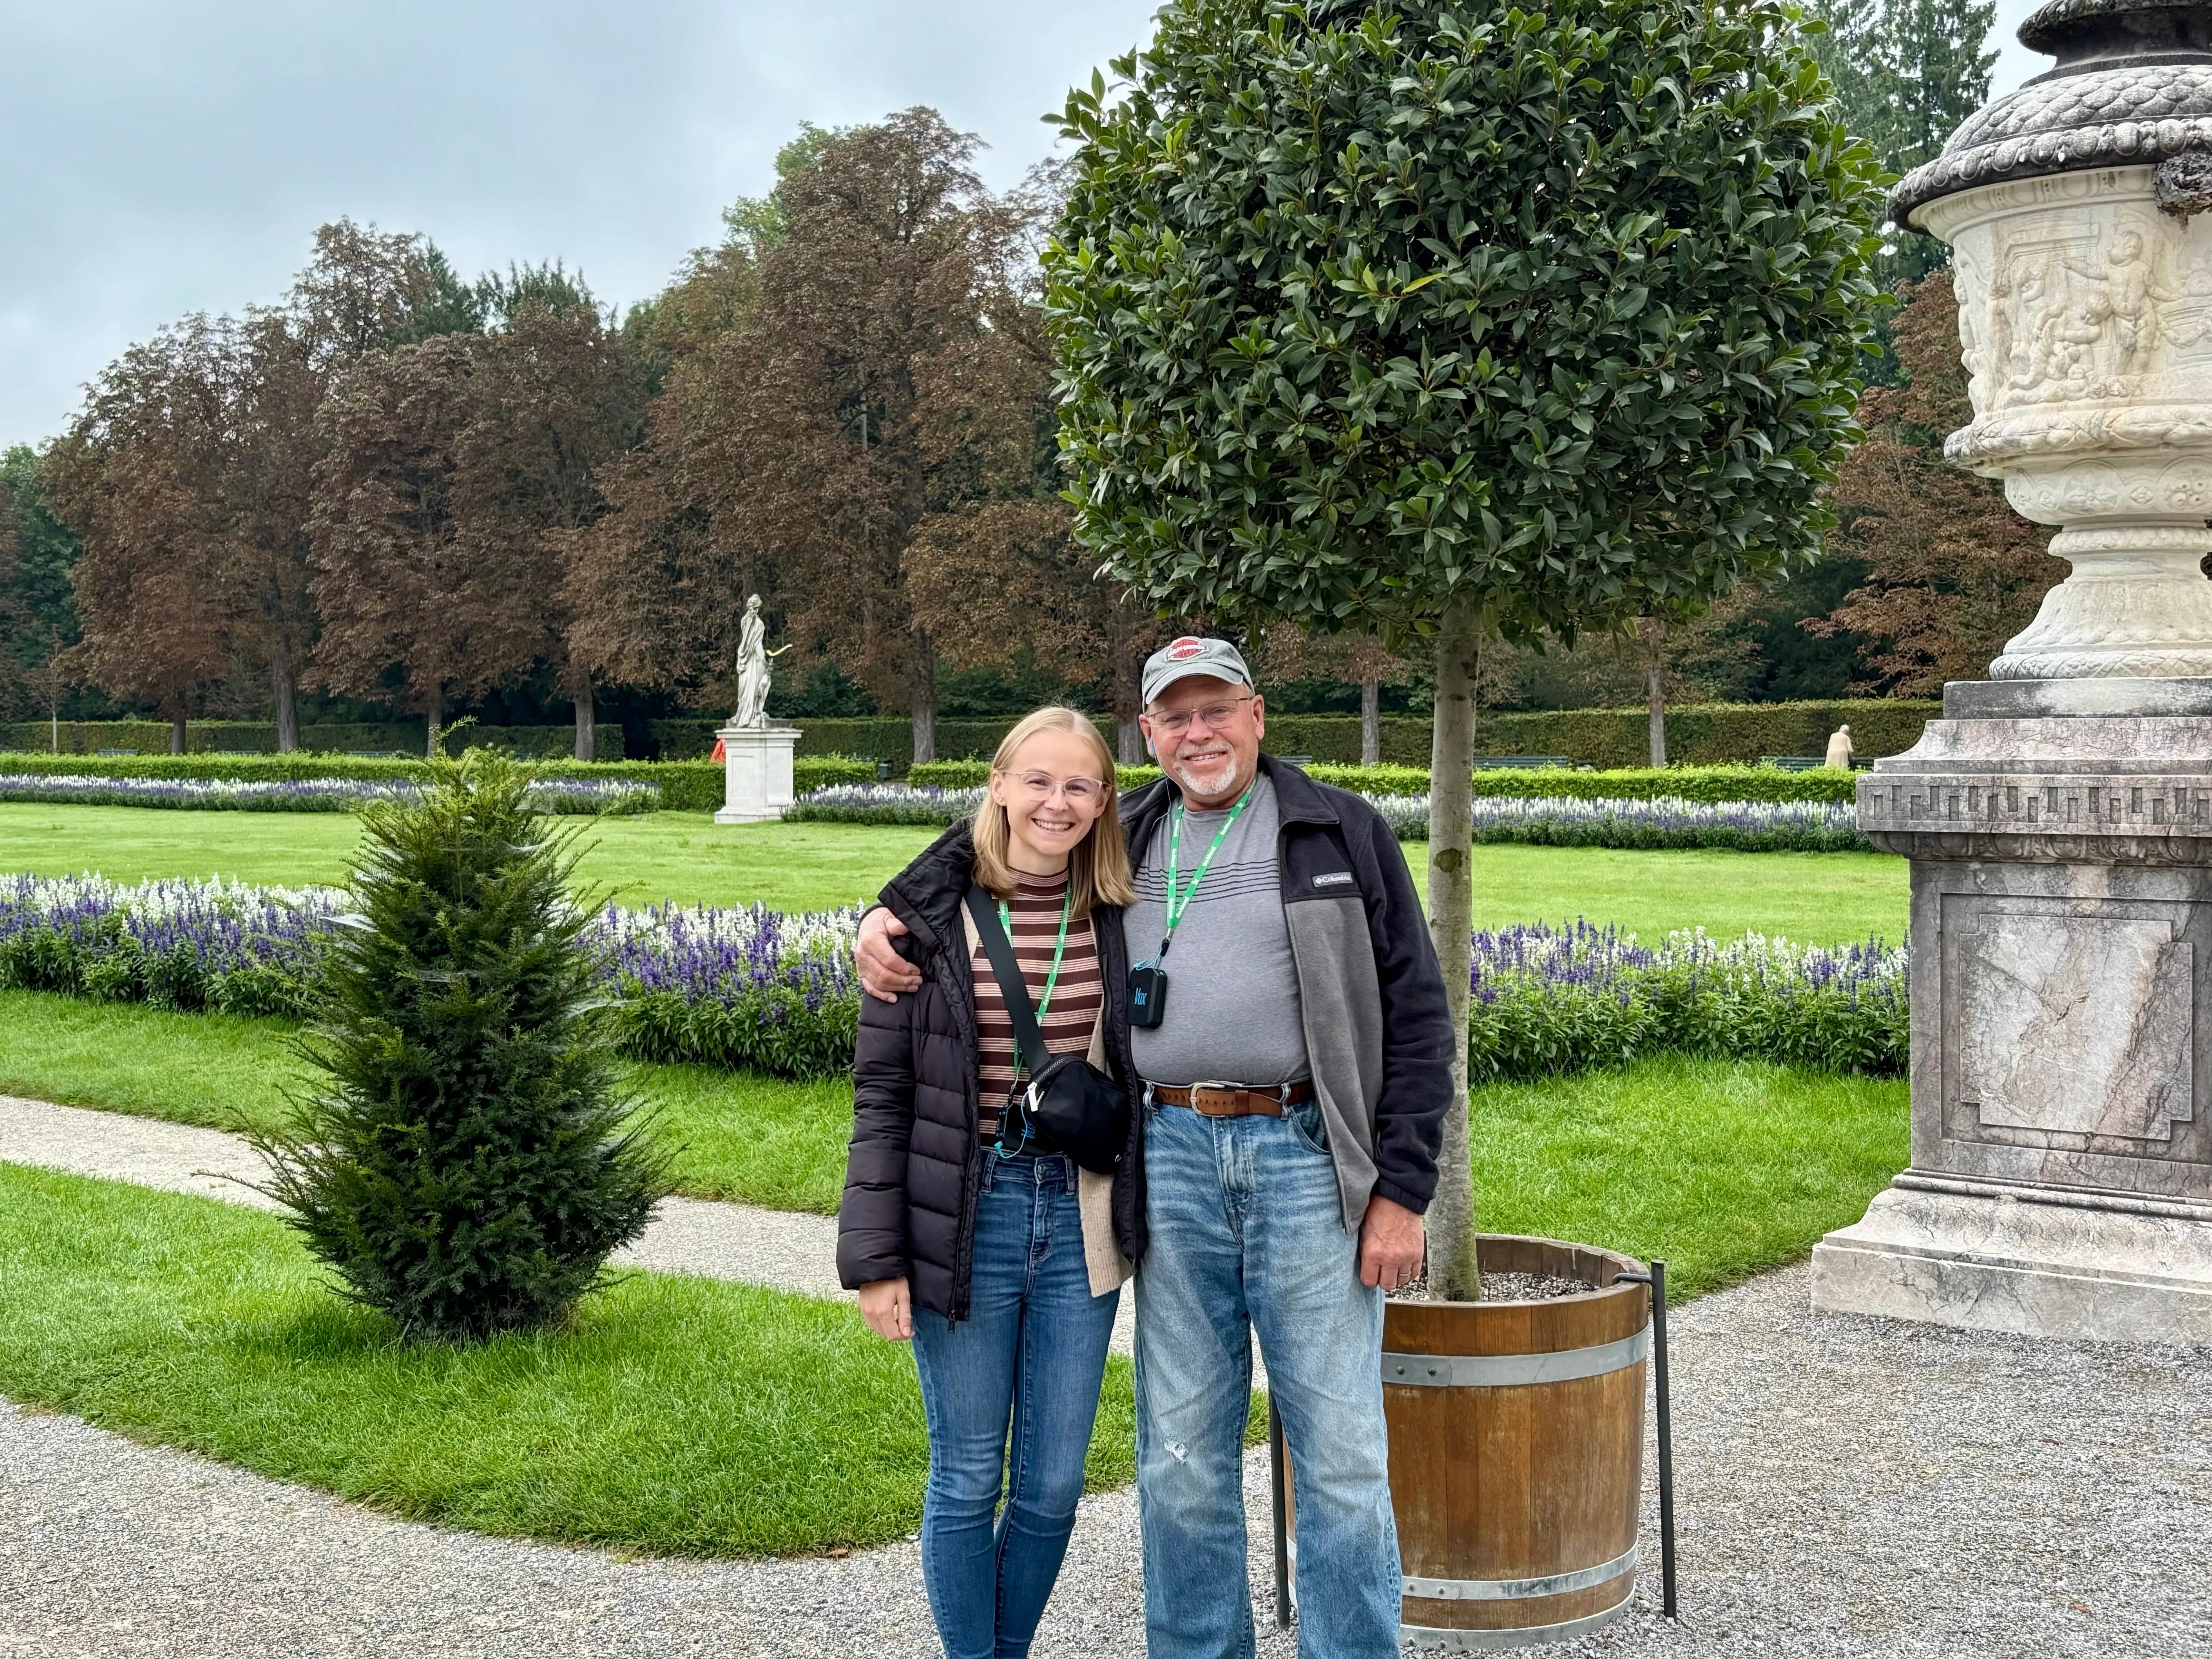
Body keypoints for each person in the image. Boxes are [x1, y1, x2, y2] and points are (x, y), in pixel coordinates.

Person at [858, 638, 1454, 1659]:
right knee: (1179, 1460)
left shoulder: (1336, 830)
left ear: (1257, 715)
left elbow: (1419, 1016)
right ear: (1150, 735)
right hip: (1164, 1157)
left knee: (1342, 1457)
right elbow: (1006, 832)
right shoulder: (1128, 830)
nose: (1198, 733)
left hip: (1306, 1156)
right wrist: (884, 911)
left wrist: (1402, 1192)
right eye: (1175, 717)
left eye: (1216, 710)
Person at [837, 705, 1145, 1659]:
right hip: (968, 1211)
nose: (1057, 802)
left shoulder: (1121, 910)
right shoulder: (926, 923)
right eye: (1038, 780)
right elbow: (883, 1097)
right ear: (999, 785)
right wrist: (876, 1260)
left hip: (1081, 1216)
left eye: (1080, 785)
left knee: (1052, 1485)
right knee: (969, 1475)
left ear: (1105, 800)